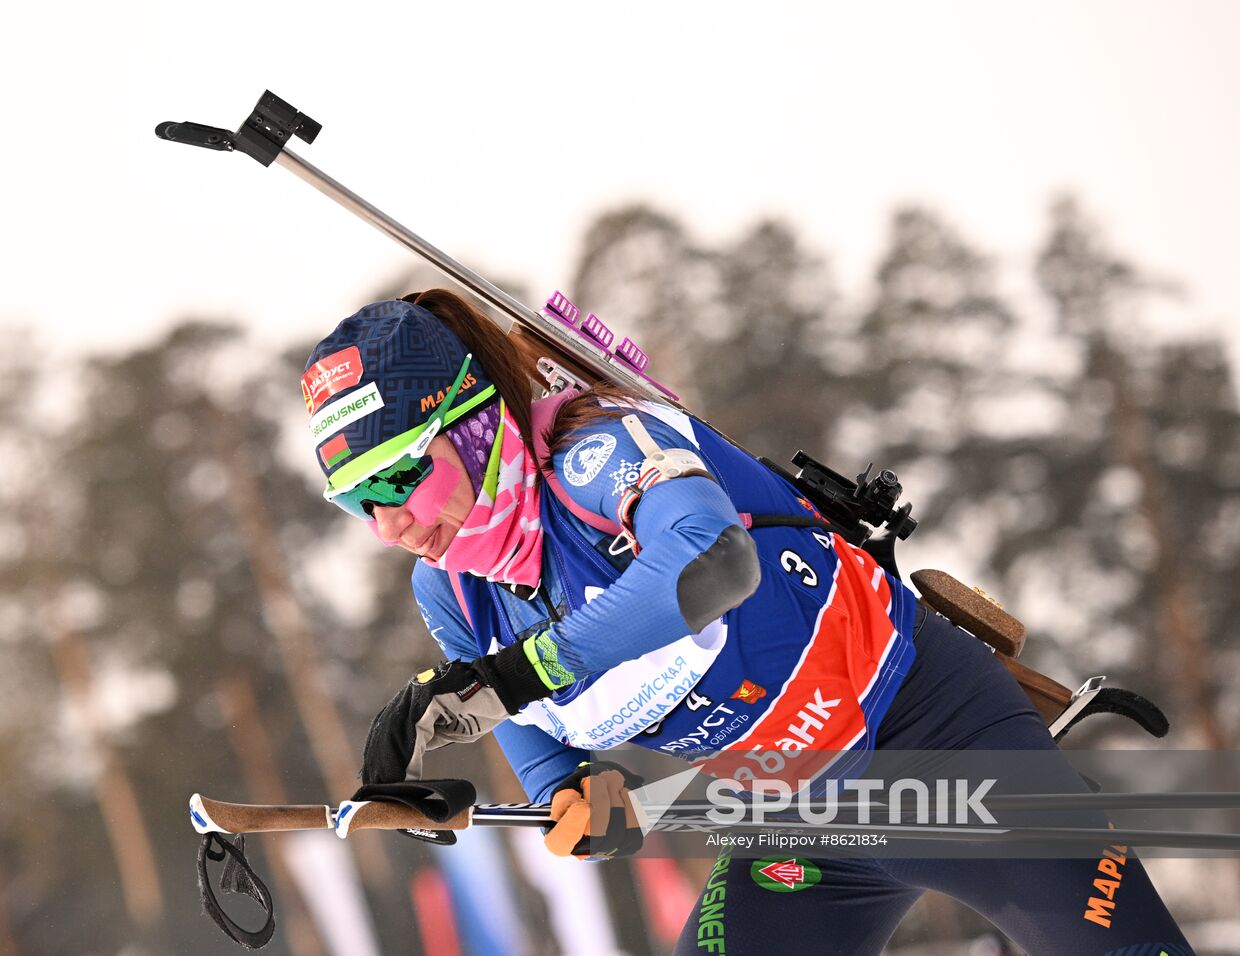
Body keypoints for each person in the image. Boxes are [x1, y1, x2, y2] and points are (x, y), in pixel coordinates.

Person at [301, 289, 1193, 955]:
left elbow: (712, 562)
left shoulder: (595, 450)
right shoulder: (453, 592)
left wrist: (519, 673)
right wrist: (570, 790)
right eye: (356, 502)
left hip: (935, 742)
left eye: (397, 478)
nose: (389, 524)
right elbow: (534, 735)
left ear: (469, 424)